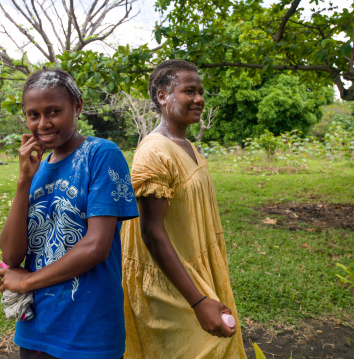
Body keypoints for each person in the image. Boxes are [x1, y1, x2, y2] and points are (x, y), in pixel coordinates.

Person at [0, 68, 138, 359]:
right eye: (33, 115)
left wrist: (25, 282)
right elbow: (11, 257)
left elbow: (95, 247)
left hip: (88, 331)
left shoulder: (101, 154)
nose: (43, 124)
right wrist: (24, 181)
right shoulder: (36, 169)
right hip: (36, 327)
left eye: (53, 112)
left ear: (77, 106)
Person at [121, 60, 247, 358]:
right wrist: (198, 301)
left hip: (194, 270)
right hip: (169, 285)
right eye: (189, 91)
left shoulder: (187, 145)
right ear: (162, 96)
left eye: (200, 92)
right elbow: (150, 233)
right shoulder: (154, 152)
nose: (199, 99)